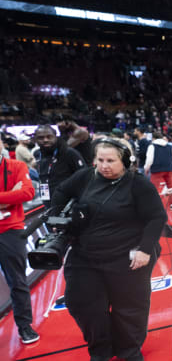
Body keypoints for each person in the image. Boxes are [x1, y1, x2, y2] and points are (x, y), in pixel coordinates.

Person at [50, 138, 167, 361]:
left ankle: (128, 349)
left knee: (130, 309)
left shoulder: (138, 184)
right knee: (82, 304)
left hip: (128, 257)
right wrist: (57, 216)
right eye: (100, 160)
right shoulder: (85, 177)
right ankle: (101, 348)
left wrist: (144, 250)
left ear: (125, 160)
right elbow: (61, 192)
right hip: (85, 257)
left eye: (110, 160)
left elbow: (156, 217)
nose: (104, 165)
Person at [0, 151, 39, 344]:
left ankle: (25, 326)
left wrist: (11, 198)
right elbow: (17, 194)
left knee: (17, 281)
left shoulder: (17, 166)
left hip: (11, 229)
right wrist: (7, 198)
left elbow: (27, 192)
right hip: (10, 224)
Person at [34, 125, 86, 205]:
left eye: (49, 137)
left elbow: (84, 176)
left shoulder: (69, 153)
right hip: (47, 198)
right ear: (35, 139)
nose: (45, 140)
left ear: (55, 137)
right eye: (41, 138)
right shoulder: (37, 154)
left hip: (67, 201)